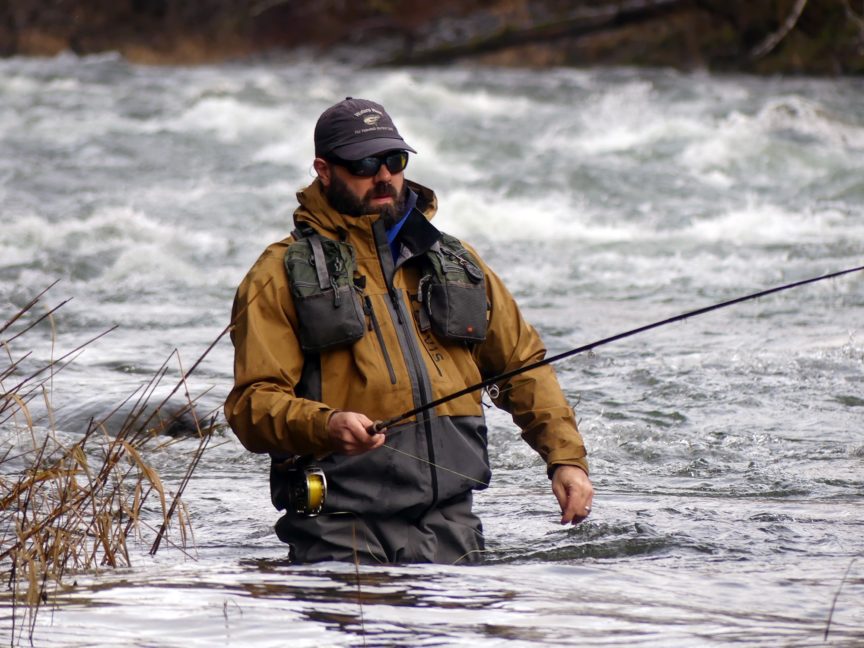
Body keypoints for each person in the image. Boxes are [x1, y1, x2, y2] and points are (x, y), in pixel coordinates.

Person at [225, 97, 593, 564]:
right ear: (324, 169)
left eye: (394, 160)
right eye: (363, 163)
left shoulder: (456, 261)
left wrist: (564, 459)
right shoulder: (278, 273)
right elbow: (251, 404)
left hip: (451, 525)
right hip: (340, 531)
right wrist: (327, 424)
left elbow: (522, 366)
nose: (383, 176)